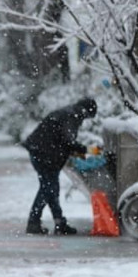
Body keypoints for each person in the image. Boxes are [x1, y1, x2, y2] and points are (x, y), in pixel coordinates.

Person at [22, 97, 98, 235]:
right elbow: (67, 141)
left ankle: (59, 222)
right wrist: (87, 150)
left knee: (51, 189)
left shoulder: (69, 113)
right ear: (86, 111)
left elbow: (62, 139)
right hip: (44, 155)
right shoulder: (71, 116)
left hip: (43, 153)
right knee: (48, 189)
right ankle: (34, 223)